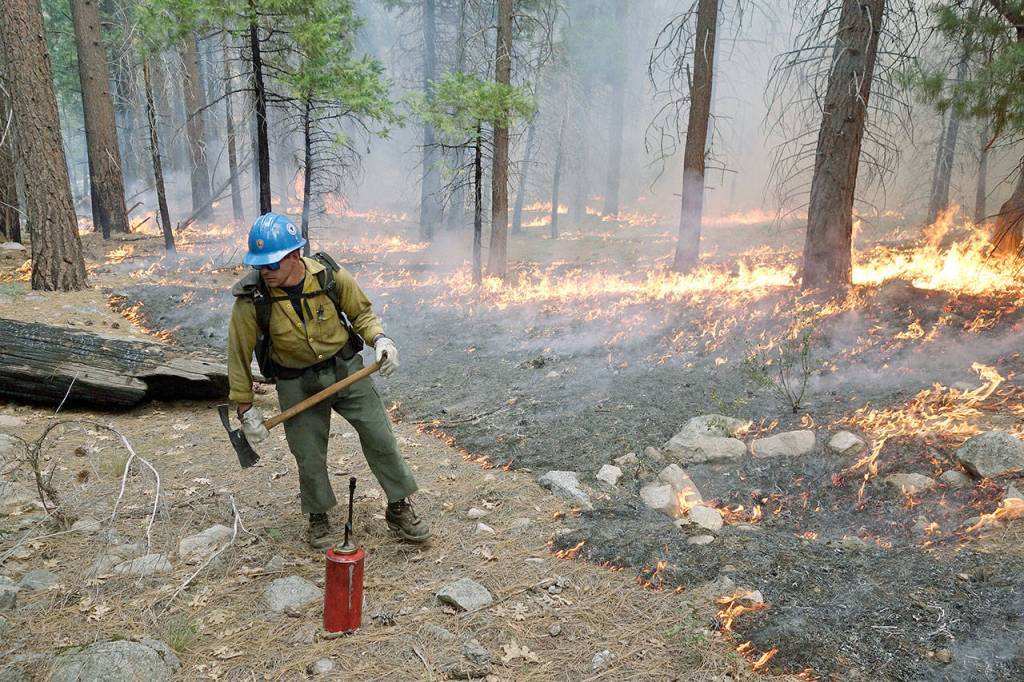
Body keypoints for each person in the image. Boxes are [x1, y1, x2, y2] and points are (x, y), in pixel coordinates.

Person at [226, 212, 430, 548]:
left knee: (380, 436)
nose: (265, 272)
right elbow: (238, 353)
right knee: (307, 454)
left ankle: (398, 506)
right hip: (295, 381)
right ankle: (318, 515)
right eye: (259, 265)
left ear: (295, 255)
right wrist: (245, 408)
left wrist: (380, 340)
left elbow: (361, 313)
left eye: (272, 264)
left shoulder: (330, 276)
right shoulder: (252, 299)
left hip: (346, 370)